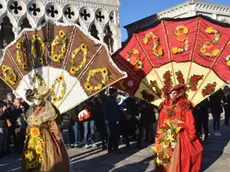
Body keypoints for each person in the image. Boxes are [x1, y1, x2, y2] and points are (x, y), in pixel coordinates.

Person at [155, 84, 203, 172]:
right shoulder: (164, 107)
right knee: (166, 156)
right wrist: (159, 135)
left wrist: (192, 134)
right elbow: (161, 122)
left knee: (185, 156)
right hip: (167, 135)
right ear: (167, 94)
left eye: (174, 93)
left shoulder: (184, 105)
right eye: (171, 93)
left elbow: (190, 121)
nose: (173, 95)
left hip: (181, 134)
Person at [21, 86, 69, 172]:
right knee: (32, 156)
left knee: (47, 157)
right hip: (32, 137)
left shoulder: (48, 110)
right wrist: (26, 137)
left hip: (46, 138)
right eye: (34, 98)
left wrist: (57, 138)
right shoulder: (31, 110)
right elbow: (29, 126)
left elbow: (52, 125)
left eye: (38, 98)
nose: (36, 100)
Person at [101, 88, 121, 154]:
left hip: (115, 119)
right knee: (111, 135)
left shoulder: (114, 99)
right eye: (116, 92)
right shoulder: (108, 100)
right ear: (114, 93)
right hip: (111, 120)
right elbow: (105, 110)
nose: (117, 94)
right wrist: (106, 119)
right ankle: (110, 148)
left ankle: (115, 148)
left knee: (116, 134)